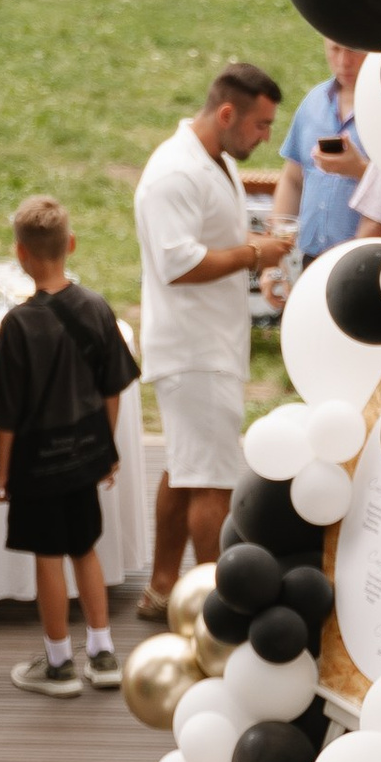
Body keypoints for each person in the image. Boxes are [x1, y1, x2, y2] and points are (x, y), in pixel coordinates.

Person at [132, 61, 292, 619]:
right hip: (193, 351)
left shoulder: (213, 159)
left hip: (208, 346)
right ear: (227, 113)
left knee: (185, 470)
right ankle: (209, 608)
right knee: (214, 483)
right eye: (262, 124)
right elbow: (179, 263)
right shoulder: (176, 173)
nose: (267, 136)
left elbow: (208, 238)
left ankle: (160, 588)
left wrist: (254, 245)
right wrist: (253, 255)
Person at [0, 195, 137, 699]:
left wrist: (2, 470)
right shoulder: (95, 308)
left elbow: (5, 410)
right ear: (69, 244)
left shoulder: (17, 325)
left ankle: (58, 664)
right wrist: (106, 448)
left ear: (21, 254)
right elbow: (114, 386)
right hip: (84, 456)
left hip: (36, 462)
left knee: (48, 557)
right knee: (84, 549)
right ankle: (103, 651)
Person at [272, 40, 372, 269]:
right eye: (335, 49)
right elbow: (292, 179)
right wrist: (277, 257)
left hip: (361, 263)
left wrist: (359, 170)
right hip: (309, 258)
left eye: (355, 49)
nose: (344, 62)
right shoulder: (313, 102)